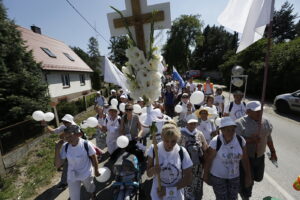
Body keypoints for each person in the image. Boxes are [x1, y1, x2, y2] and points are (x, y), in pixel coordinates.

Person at [235, 101, 277, 200]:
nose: (260, 113)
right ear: (248, 112)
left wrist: (273, 152)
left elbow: (268, 137)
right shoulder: (239, 123)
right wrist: (250, 140)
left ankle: (244, 185)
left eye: (261, 111)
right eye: (257, 111)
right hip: (245, 158)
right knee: (248, 180)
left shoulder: (266, 122)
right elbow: (236, 143)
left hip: (260, 157)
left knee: (258, 178)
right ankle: (245, 194)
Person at [203, 117, 252, 200]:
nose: (231, 132)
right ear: (222, 130)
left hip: (234, 176)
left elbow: (245, 159)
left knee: (233, 198)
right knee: (222, 198)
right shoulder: (216, 141)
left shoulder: (240, 140)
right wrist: (206, 175)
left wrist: (248, 176)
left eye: (233, 130)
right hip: (218, 177)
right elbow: (208, 160)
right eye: (228, 130)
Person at [146, 123, 193, 200]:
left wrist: (169, 190)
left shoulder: (182, 151)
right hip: (158, 195)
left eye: (173, 141)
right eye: (166, 141)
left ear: (178, 139)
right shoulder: (154, 149)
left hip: (176, 195)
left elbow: (188, 177)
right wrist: (153, 170)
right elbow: (148, 174)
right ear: (162, 137)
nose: (169, 144)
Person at [55, 125, 100, 200]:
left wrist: (96, 170)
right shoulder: (65, 146)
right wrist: (57, 149)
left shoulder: (86, 144)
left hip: (86, 173)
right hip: (72, 176)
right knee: (74, 198)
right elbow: (58, 165)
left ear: (78, 134)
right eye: (66, 137)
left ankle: (93, 195)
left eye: (70, 135)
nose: (68, 139)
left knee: (90, 188)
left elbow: (94, 157)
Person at [45, 114, 77, 189]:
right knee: (65, 164)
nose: (64, 123)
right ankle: (65, 181)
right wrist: (45, 125)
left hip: (74, 149)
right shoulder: (64, 126)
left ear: (70, 121)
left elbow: (62, 136)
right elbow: (53, 131)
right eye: (63, 122)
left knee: (68, 164)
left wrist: (62, 136)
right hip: (66, 149)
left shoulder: (75, 127)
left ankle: (64, 182)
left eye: (66, 122)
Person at [179, 115, 208, 200]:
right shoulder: (181, 133)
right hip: (185, 164)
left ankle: (196, 196)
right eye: (191, 123)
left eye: (194, 124)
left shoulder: (199, 133)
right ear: (187, 124)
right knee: (187, 181)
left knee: (197, 182)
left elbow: (205, 146)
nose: (192, 125)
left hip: (198, 164)